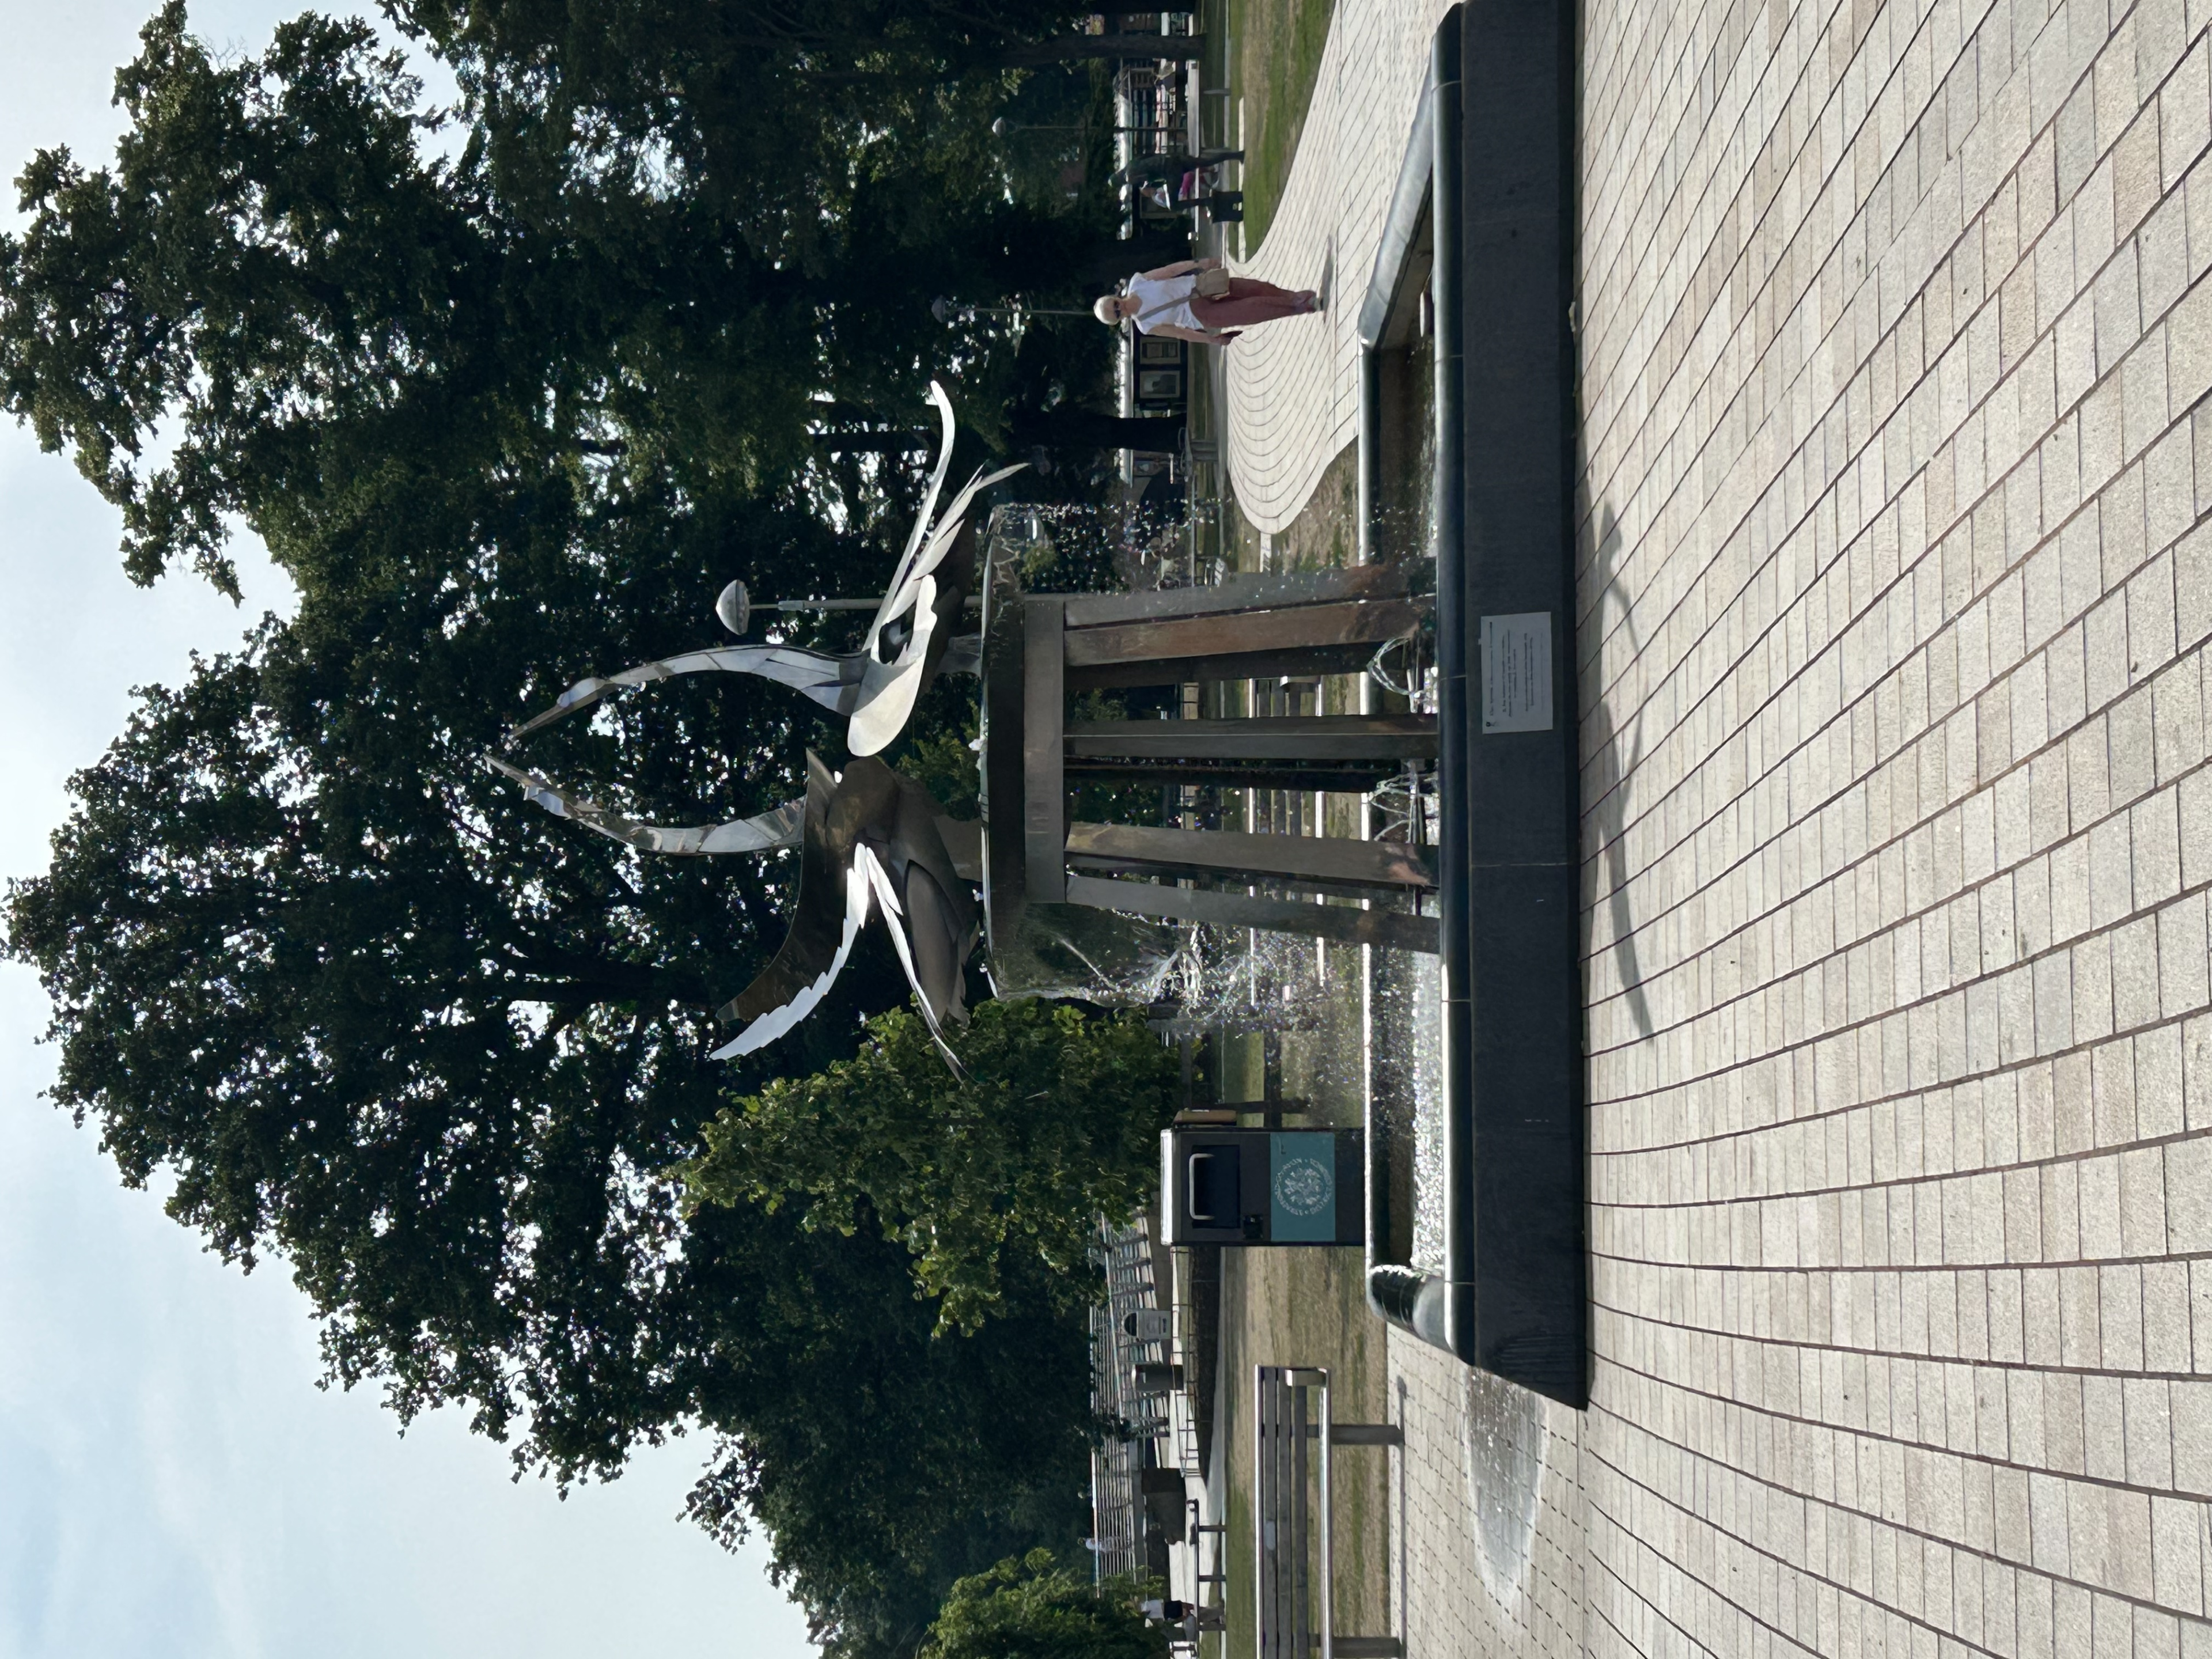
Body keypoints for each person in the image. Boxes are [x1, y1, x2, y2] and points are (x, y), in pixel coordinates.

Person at [1091, 257, 1320, 347]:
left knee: (1253, 288)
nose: (1120, 308)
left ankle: (1293, 296)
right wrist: (1211, 340)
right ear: (1119, 321)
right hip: (1201, 316)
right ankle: (1298, 307)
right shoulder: (1146, 325)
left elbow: (1170, 270)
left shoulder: (1138, 282)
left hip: (1200, 285)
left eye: (1115, 304)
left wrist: (1199, 263)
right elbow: (1180, 333)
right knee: (1250, 310)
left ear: (1115, 297)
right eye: (1116, 314)